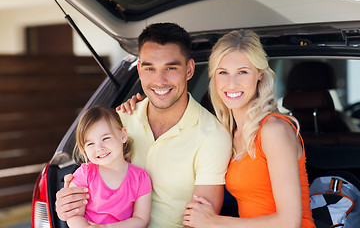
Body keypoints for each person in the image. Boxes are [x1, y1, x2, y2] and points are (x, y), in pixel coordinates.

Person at [55, 23, 232, 228]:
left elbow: (202, 222)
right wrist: (67, 205)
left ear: (189, 69)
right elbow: (86, 184)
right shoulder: (121, 120)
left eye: (171, 68)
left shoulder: (213, 136)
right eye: (150, 68)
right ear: (139, 69)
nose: (159, 80)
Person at [183, 30, 315, 228]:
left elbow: (289, 222)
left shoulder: (273, 129)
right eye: (223, 72)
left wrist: (214, 222)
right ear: (214, 78)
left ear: (260, 75)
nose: (232, 83)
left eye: (242, 72)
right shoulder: (228, 133)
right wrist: (141, 107)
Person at [67, 105, 152, 228]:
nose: (99, 148)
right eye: (90, 143)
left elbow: (141, 219)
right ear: (84, 149)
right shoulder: (84, 174)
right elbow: (74, 215)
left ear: (123, 135)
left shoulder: (140, 178)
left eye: (106, 138)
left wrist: (106, 227)